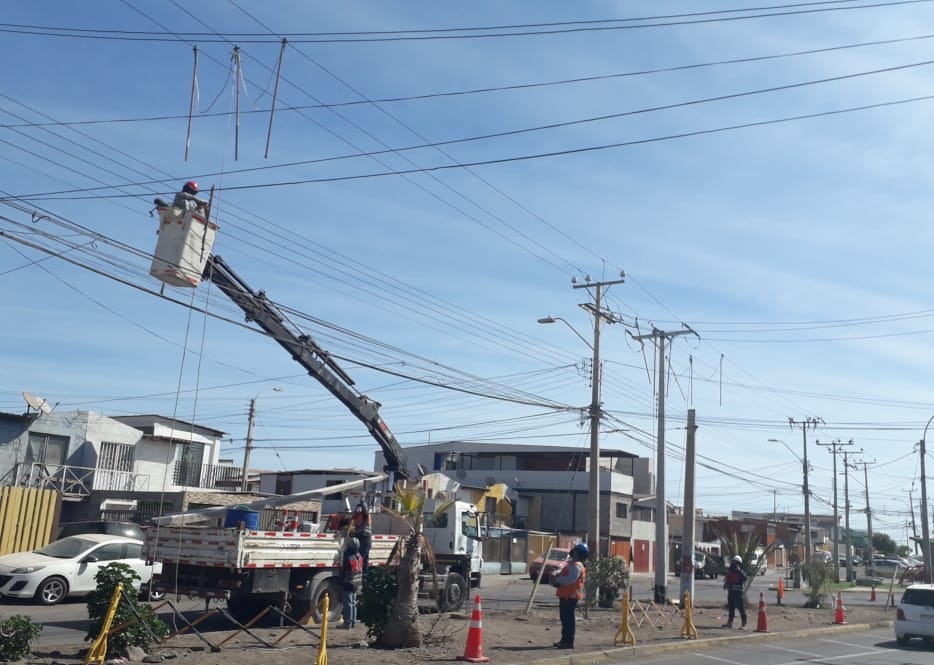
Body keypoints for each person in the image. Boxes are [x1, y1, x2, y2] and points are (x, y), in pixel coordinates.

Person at [551, 542, 589, 649]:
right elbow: (565, 572)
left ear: (579, 554)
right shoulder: (573, 564)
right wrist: (557, 573)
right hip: (566, 595)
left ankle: (568, 641)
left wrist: (557, 580)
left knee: (568, 619)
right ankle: (564, 640)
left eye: (576, 551)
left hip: (570, 596)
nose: (573, 552)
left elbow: (570, 579)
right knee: (565, 618)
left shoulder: (577, 566)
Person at [339, 537, 364, 629]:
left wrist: (342, 580)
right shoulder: (359, 556)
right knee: (353, 602)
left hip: (349, 582)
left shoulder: (349, 557)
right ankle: (353, 621)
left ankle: (347, 623)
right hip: (357, 583)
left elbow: (345, 571)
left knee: (348, 602)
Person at [722, 554, 748, 629]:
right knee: (731, 609)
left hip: (739, 593)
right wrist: (726, 584)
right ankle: (729, 623)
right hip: (731, 592)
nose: (734, 565)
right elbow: (726, 580)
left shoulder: (741, 572)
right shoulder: (730, 572)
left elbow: (745, 578)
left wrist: (739, 571)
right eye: (733, 562)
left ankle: (744, 624)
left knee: (741, 609)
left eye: (736, 563)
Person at [351, 498, 372, 572]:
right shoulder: (359, 516)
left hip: (363, 536)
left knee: (363, 555)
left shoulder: (362, 516)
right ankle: (362, 571)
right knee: (363, 555)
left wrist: (362, 502)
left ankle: (362, 571)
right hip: (363, 536)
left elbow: (365, 511)